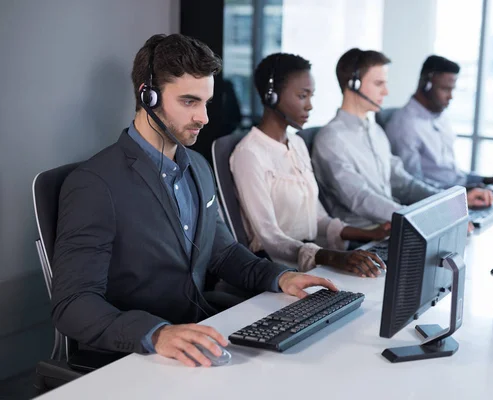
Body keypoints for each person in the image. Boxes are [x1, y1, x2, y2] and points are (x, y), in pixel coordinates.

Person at [51, 34, 337, 369]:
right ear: (148, 95)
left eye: (206, 103)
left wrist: (279, 277)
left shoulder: (198, 167)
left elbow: (224, 252)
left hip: (198, 338)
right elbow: (72, 304)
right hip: (135, 355)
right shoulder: (95, 185)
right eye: (189, 102)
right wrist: (156, 334)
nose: (203, 117)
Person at [230, 53, 388, 277]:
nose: (310, 106)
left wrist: (370, 234)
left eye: (311, 96)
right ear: (271, 96)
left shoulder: (297, 143)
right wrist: (332, 257)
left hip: (313, 264)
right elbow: (270, 236)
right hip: (277, 273)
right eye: (302, 96)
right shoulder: (249, 154)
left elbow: (317, 218)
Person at [311, 48, 493, 228]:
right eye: (378, 84)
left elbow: (404, 183)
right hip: (363, 241)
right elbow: (360, 198)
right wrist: (419, 219)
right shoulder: (332, 139)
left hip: (394, 227)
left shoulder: (376, 132)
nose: (386, 92)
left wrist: (451, 202)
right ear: (353, 84)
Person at [383, 55, 493, 189]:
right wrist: (463, 193)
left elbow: (451, 174)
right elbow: (414, 186)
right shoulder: (405, 125)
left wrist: (485, 180)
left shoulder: (439, 117)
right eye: (445, 89)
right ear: (426, 85)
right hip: (439, 199)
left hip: (458, 192)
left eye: (452, 89)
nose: (451, 96)